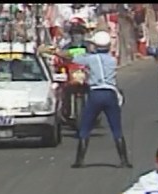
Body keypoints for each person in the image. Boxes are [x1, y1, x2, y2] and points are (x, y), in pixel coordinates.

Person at [44, 31, 132, 169]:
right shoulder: (112, 60)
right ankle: (124, 160)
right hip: (110, 93)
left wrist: (55, 51)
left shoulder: (90, 59)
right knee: (116, 128)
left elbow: (70, 57)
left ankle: (79, 161)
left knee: (85, 127)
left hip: (95, 93)